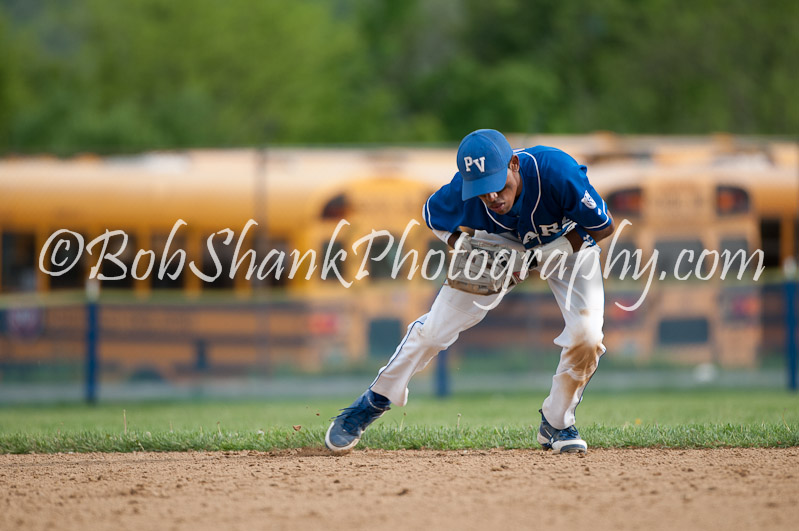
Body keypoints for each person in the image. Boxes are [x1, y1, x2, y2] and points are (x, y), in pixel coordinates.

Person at [325, 129, 615, 454]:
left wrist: (537, 258)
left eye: (498, 186)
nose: (493, 198)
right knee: (434, 331)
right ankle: (372, 402)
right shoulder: (461, 192)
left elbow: (602, 226)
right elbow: (432, 216)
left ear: (514, 164)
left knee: (587, 337)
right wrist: (464, 248)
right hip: (498, 248)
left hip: (567, 246)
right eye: (482, 191)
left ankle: (558, 423)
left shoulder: (556, 170)